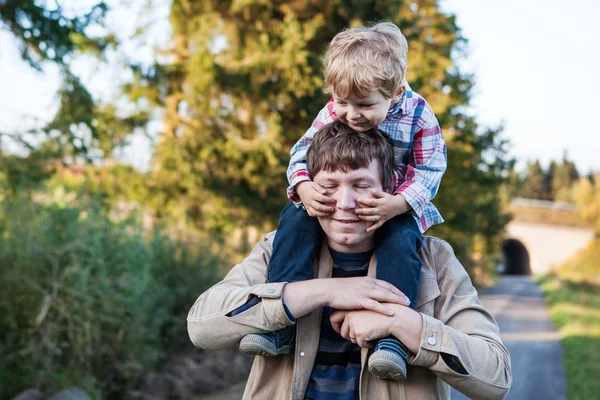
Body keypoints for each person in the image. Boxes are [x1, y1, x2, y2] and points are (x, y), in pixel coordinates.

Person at [187, 121, 512, 400]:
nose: (345, 203)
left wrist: (399, 322)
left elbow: (495, 377)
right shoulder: (275, 250)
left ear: (389, 191)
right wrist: (325, 292)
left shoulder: (434, 259)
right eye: (329, 186)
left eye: (361, 185)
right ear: (310, 189)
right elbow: (202, 325)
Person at [239, 21, 447, 382]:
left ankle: (390, 336)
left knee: (400, 242)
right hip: (339, 196)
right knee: (295, 218)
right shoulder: (337, 108)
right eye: (342, 102)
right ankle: (281, 323)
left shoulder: (418, 112)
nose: (351, 114)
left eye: (365, 105)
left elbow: (431, 168)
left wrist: (399, 204)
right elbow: (302, 152)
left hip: (392, 200)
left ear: (395, 93)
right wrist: (303, 187)